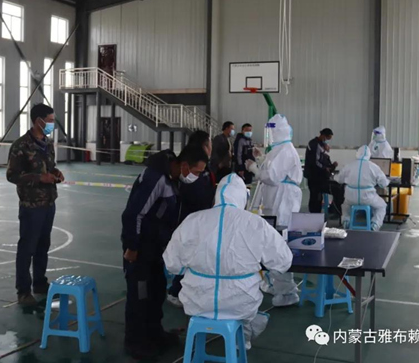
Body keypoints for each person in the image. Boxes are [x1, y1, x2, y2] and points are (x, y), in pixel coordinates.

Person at [163, 174, 292, 350]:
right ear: (243, 197)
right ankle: (241, 341)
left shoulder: (193, 220)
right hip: (240, 303)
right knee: (247, 310)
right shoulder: (255, 223)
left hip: (197, 302)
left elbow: (172, 264)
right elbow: (283, 261)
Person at [121, 148, 209, 359]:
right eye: (196, 172)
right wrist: (132, 247)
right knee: (139, 295)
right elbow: (134, 213)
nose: (196, 177)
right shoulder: (156, 178)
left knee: (156, 291)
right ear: (184, 165)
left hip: (155, 248)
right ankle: (135, 342)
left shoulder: (172, 179)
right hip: (140, 248)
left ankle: (154, 333)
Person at [7, 103, 64, 306]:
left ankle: (40, 283)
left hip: (49, 202)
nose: (51, 125)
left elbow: (50, 166)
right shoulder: (21, 146)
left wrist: (55, 173)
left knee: (43, 246)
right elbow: (12, 175)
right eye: (49, 121)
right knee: (27, 248)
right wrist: (39, 178)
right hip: (31, 205)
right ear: (38, 121)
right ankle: (23, 291)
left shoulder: (47, 143)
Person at [245, 114, 301, 307]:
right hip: (276, 200)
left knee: (279, 245)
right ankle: (277, 284)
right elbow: (271, 168)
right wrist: (260, 158)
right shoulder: (278, 149)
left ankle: (287, 292)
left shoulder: (285, 150)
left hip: (283, 201)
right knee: (272, 242)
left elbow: (272, 176)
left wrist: (254, 169)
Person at [167, 134, 216, 307]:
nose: (211, 149)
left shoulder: (204, 171)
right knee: (186, 258)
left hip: (201, 221)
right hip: (188, 223)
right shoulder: (184, 177)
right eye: (209, 145)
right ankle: (175, 291)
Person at [337, 146, 390, 231]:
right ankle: (374, 225)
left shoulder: (349, 166)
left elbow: (339, 179)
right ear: (369, 155)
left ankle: (346, 222)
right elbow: (383, 184)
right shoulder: (374, 167)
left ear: (357, 154)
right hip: (367, 198)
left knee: (345, 206)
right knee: (381, 206)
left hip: (351, 197)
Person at [304, 128, 344, 214]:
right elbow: (315, 163)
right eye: (328, 138)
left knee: (339, 188)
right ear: (323, 136)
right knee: (315, 197)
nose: (327, 143)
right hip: (315, 178)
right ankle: (316, 215)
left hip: (321, 178)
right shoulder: (315, 145)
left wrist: (333, 166)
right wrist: (325, 168)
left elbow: (326, 167)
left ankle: (333, 210)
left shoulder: (322, 149)